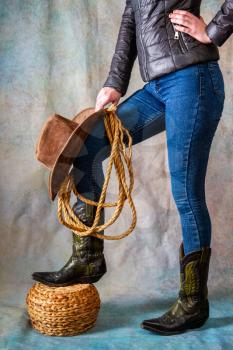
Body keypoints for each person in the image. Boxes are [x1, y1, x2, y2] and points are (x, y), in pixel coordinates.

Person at [32, 0, 233, 335]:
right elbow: (130, 21)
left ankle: (193, 301)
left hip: (193, 79)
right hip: (156, 87)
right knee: (89, 145)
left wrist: (212, 31)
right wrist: (114, 82)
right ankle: (88, 259)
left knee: (185, 192)